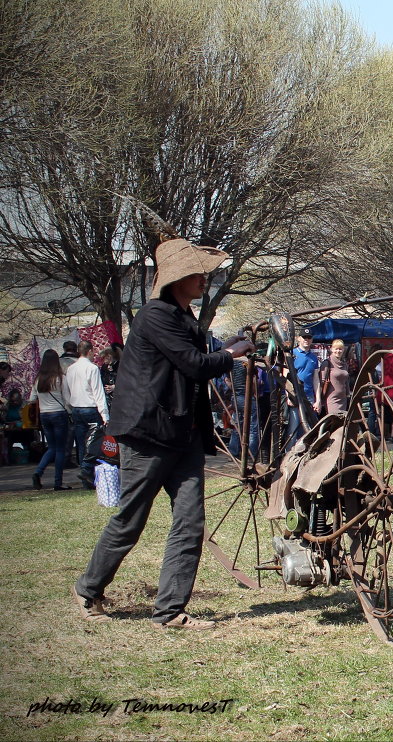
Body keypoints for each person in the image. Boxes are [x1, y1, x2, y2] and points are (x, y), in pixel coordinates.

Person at [73, 237, 254, 629]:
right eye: (196, 273)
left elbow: (193, 360)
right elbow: (193, 364)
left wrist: (229, 348)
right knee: (131, 520)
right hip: (148, 433)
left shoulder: (185, 318)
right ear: (175, 279)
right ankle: (89, 588)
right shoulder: (155, 315)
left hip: (184, 435)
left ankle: (169, 610)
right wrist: (232, 354)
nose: (204, 278)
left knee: (189, 521)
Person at [65, 340, 109, 489]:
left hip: (76, 408)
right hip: (90, 408)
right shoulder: (92, 368)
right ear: (89, 351)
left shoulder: (71, 369)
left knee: (82, 443)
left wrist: (69, 406)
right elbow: (98, 392)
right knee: (95, 442)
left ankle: (86, 478)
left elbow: (67, 390)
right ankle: (87, 470)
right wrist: (105, 414)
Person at [32, 350, 72, 490]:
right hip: (59, 414)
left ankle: (38, 472)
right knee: (60, 449)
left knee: (52, 447)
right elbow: (67, 399)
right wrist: (71, 411)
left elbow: (31, 398)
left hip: (44, 415)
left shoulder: (38, 379)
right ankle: (58, 482)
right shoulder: (60, 378)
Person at [316, 338, 352, 415]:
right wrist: (319, 400)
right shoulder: (327, 363)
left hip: (343, 399)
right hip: (331, 398)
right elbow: (321, 382)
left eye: (340, 349)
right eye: (336, 349)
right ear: (332, 349)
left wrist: (348, 394)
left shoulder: (344, 364)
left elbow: (346, 381)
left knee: (341, 422)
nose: (338, 351)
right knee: (333, 421)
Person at [292, 329, 319, 403]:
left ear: (312, 339)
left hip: (309, 396)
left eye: (309, 337)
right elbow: (285, 376)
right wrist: (289, 396)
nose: (307, 340)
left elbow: (316, 379)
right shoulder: (291, 354)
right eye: (304, 337)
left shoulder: (314, 357)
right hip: (294, 395)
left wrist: (318, 400)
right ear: (299, 338)